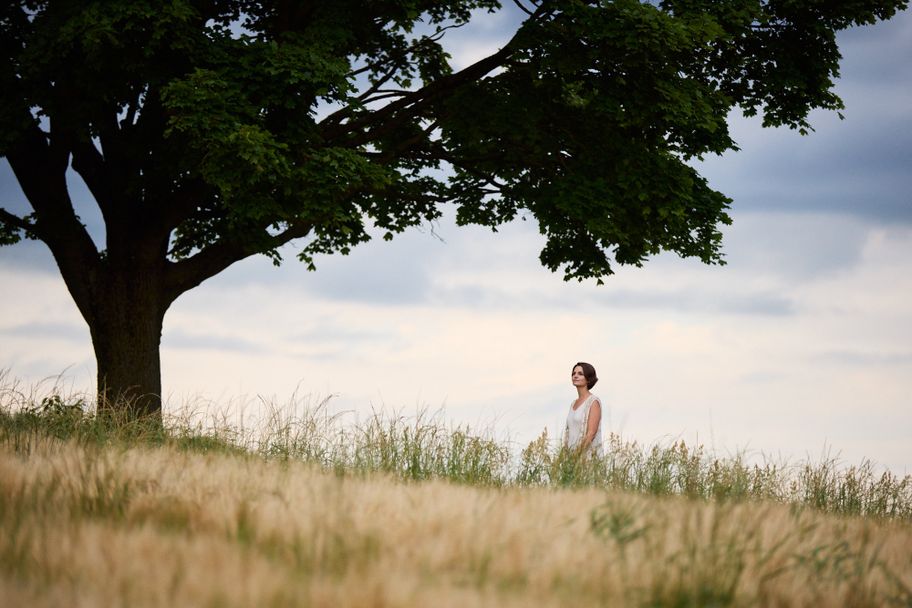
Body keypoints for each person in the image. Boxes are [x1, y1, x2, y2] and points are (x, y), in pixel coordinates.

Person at [563, 362, 603, 457]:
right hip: (571, 459)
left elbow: (591, 434)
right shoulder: (573, 404)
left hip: (587, 459)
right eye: (574, 373)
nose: (575, 376)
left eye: (580, 374)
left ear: (588, 379)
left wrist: (576, 456)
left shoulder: (593, 402)